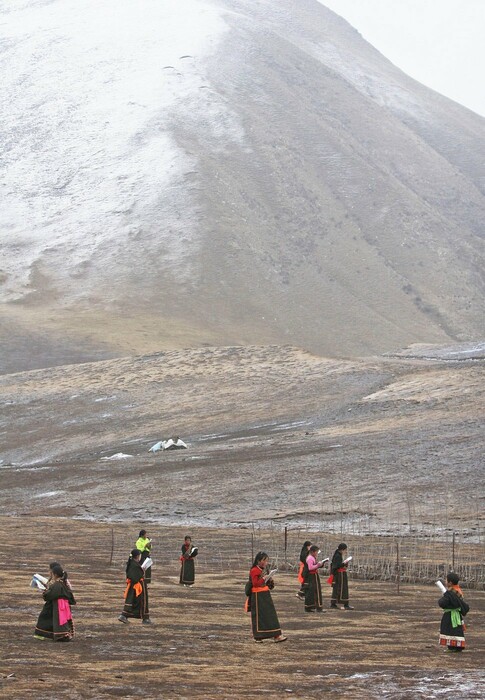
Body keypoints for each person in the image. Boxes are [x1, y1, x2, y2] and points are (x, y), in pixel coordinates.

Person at [247, 551, 287, 643]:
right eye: (264, 561)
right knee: (259, 616)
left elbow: (267, 584)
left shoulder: (264, 569)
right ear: (258, 561)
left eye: (267, 561)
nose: (266, 563)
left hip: (265, 594)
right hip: (257, 596)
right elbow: (255, 584)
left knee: (270, 615)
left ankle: (277, 635)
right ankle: (258, 636)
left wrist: (269, 579)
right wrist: (264, 578)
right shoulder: (254, 570)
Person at [34, 563, 76, 641]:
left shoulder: (57, 584)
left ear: (55, 574)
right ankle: (61, 634)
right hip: (60, 605)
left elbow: (50, 594)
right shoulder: (62, 583)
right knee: (59, 620)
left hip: (58, 606)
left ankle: (62, 635)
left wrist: (44, 592)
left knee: (59, 620)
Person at [438, 572, 470, 651]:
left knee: (450, 630)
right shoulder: (458, 591)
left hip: (450, 615)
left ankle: (452, 647)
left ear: (450, 583)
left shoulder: (451, 593)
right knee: (457, 630)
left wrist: (444, 597)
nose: (445, 582)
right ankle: (458, 646)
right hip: (457, 615)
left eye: (446, 580)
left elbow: (442, 603)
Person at [118, 549, 151, 624]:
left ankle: (144, 617)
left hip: (136, 587)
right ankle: (144, 618)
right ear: (137, 556)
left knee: (134, 601)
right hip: (136, 587)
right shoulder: (134, 565)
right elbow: (135, 577)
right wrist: (142, 570)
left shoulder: (133, 563)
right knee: (136, 601)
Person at [328, 543, 354, 609]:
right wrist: (344, 564)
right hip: (340, 575)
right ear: (342, 550)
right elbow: (337, 566)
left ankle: (333, 603)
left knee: (336, 589)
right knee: (343, 589)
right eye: (345, 550)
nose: (345, 551)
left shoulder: (337, 555)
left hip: (338, 574)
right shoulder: (337, 556)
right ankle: (345, 604)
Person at [304, 545, 326, 613]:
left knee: (313, 591)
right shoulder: (310, 558)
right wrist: (318, 565)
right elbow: (310, 568)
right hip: (312, 576)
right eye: (316, 551)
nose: (317, 553)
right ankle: (316, 607)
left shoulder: (312, 557)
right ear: (313, 552)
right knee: (315, 591)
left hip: (313, 575)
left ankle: (311, 607)